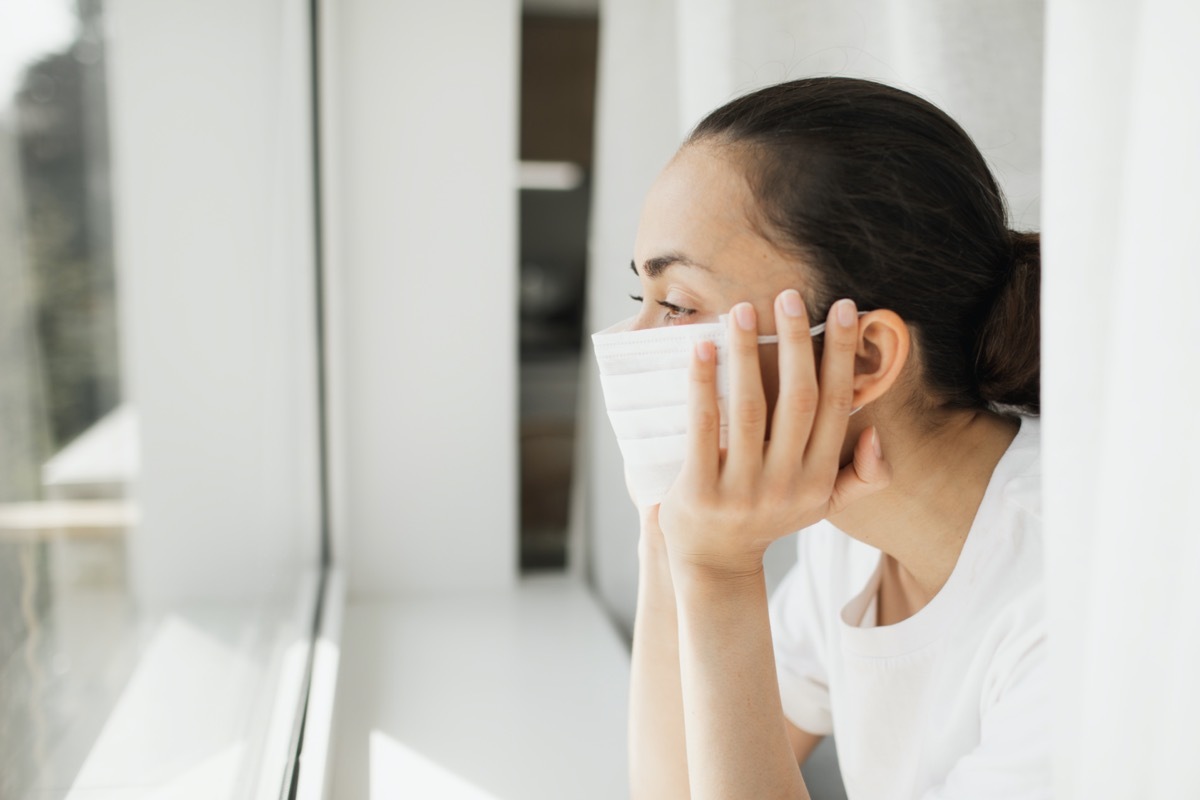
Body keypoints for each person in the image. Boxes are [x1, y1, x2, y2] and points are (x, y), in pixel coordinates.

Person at [618, 77, 1048, 799]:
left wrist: (721, 578)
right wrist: (667, 536)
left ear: (866, 359)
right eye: (643, 299)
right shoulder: (849, 543)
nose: (627, 345)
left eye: (678, 305)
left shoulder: (1073, 609)